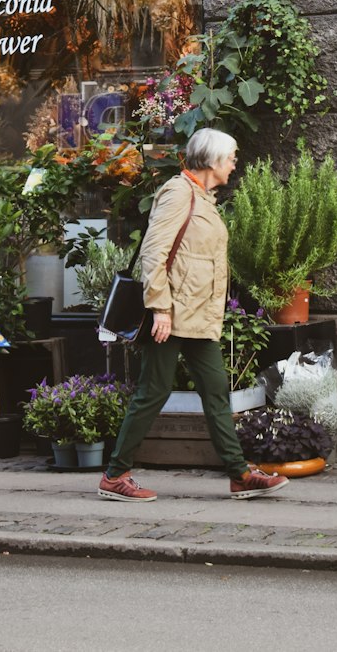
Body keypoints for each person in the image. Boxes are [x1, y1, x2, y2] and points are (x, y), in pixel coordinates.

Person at [98, 126, 288, 502]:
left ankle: (239, 475)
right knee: (153, 391)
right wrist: (160, 309)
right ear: (214, 160)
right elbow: (154, 253)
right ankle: (115, 475)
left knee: (217, 392)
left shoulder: (203, 198)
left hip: (200, 318)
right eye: (231, 158)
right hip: (171, 317)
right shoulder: (177, 193)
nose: (235, 164)